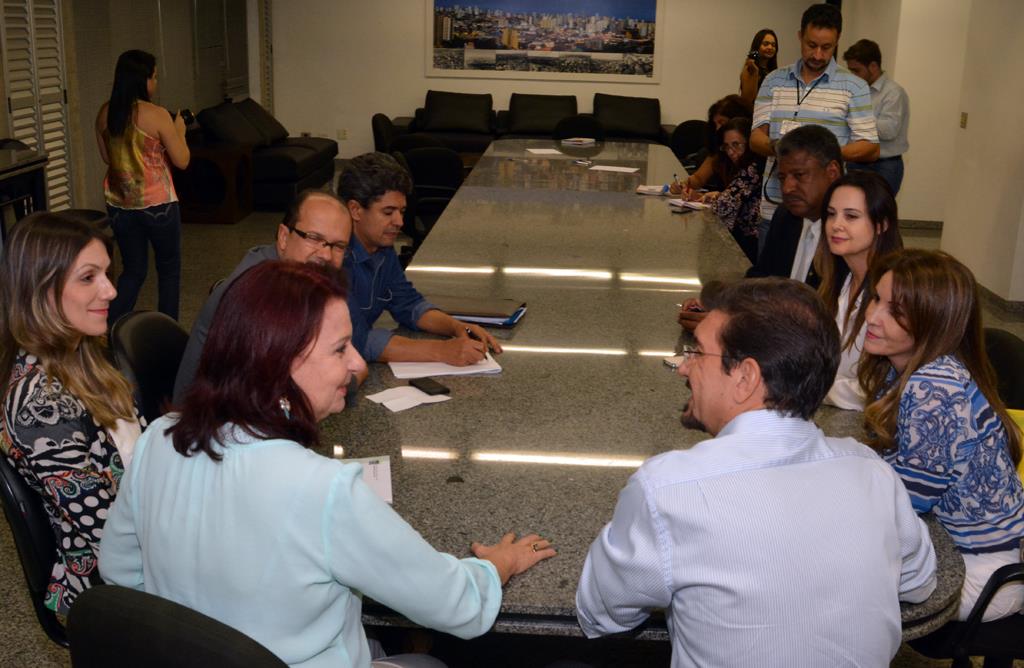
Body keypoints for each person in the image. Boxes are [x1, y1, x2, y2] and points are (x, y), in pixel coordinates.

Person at [100, 261, 555, 667]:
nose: (357, 363)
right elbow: (457, 605)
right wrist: (497, 566)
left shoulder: (158, 439)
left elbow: (120, 572)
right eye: (340, 349)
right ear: (280, 365)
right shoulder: (326, 489)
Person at [578, 278, 936, 667]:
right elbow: (918, 582)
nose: (684, 367)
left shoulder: (668, 489)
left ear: (746, 378)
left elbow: (602, 615)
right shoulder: (873, 473)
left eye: (697, 352)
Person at [860, 249, 1024, 621]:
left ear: (933, 321)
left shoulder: (934, 388)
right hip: (956, 542)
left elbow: (908, 500)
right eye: (876, 299)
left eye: (895, 311)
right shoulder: (906, 368)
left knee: (839, 593)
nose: (872, 316)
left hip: (983, 569)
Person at [1, 211, 142, 615]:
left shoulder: (83, 358)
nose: (110, 290)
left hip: (144, 536)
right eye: (88, 277)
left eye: (107, 274)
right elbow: (107, 533)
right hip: (111, 584)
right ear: (41, 290)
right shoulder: (39, 407)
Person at [173, 189, 351, 401]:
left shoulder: (291, 279)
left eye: (338, 246)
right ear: (283, 237)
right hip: (209, 414)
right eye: (314, 238)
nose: (326, 255)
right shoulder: (259, 294)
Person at [338, 152, 502, 366]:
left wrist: (456, 327)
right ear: (355, 210)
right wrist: (442, 350)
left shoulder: (382, 248)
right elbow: (357, 339)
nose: (399, 221)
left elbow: (408, 303)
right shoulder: (333, 258)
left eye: (401, 211)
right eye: (388, 212)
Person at [679, 125, 841, 333]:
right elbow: (763, 281)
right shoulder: (786, 217)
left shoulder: (846, 237)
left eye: (799, 175)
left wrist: (730, 326)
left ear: (832, 172)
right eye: (782, 178)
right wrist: (721, 306)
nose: (787, 188)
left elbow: (815, 324)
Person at [751, 3, 879, 253]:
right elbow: (756, 138)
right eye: (811, 45)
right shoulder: (773, 81)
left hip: (825, 213)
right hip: (774, 206)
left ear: (837, 41)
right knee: (769, 275)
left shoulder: (854, 86)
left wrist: (818, 157)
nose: (818, 55)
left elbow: (870, 147)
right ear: (800, 36)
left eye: (827, 47)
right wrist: (785, 151)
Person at [95, 49, 189, 326]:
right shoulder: (157, 115)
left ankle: (106, 329)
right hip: (158, 204)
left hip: (120, 204)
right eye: (154, 77)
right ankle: (166, 334)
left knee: (133, 271)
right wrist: (180, 131)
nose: (156, 83)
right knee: (168, 271)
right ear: (142, 80)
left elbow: (107, 157)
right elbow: (182, 160)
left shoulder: (105, 113)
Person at [815, 171, 903, 410]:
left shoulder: (895, 291)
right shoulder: (839, 279)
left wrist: (809, 387)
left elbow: (876, 388)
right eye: (831, 214)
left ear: (882, 224)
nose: (836, 225)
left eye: (851, 216)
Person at [691, 117, 764, 263]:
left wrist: (717, 199)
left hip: (751, 242)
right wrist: (718, 195)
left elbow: (723, 207)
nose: (730, 152)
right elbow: (737, 196)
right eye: (726, 146)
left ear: (749, 143)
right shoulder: (745, 165)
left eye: (736, 145)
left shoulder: (752, 168)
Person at [843, 39, 911, 194]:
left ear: (873, 66)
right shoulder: (856, 90)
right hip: (856, 161)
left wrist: (857, 119)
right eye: (851, 71)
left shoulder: (894, 93)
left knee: (878, 209)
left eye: (856, 71)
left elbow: (889, 130)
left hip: (884, 165)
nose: (853, 76)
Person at [682, 95, 752, 193]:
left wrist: (716, 196)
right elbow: (699, 178)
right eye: (715, 124)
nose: (717, 129)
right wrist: (682, 185)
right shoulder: (720, 149)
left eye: (721, 123)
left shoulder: (754, 156)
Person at [739, 28, 779, 106]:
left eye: (773, 45)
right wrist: (754, 73)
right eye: (765, 44)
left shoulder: (773, 71)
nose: (770, 47)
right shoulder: (751, 69)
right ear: (757, 46)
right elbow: (747, 101)